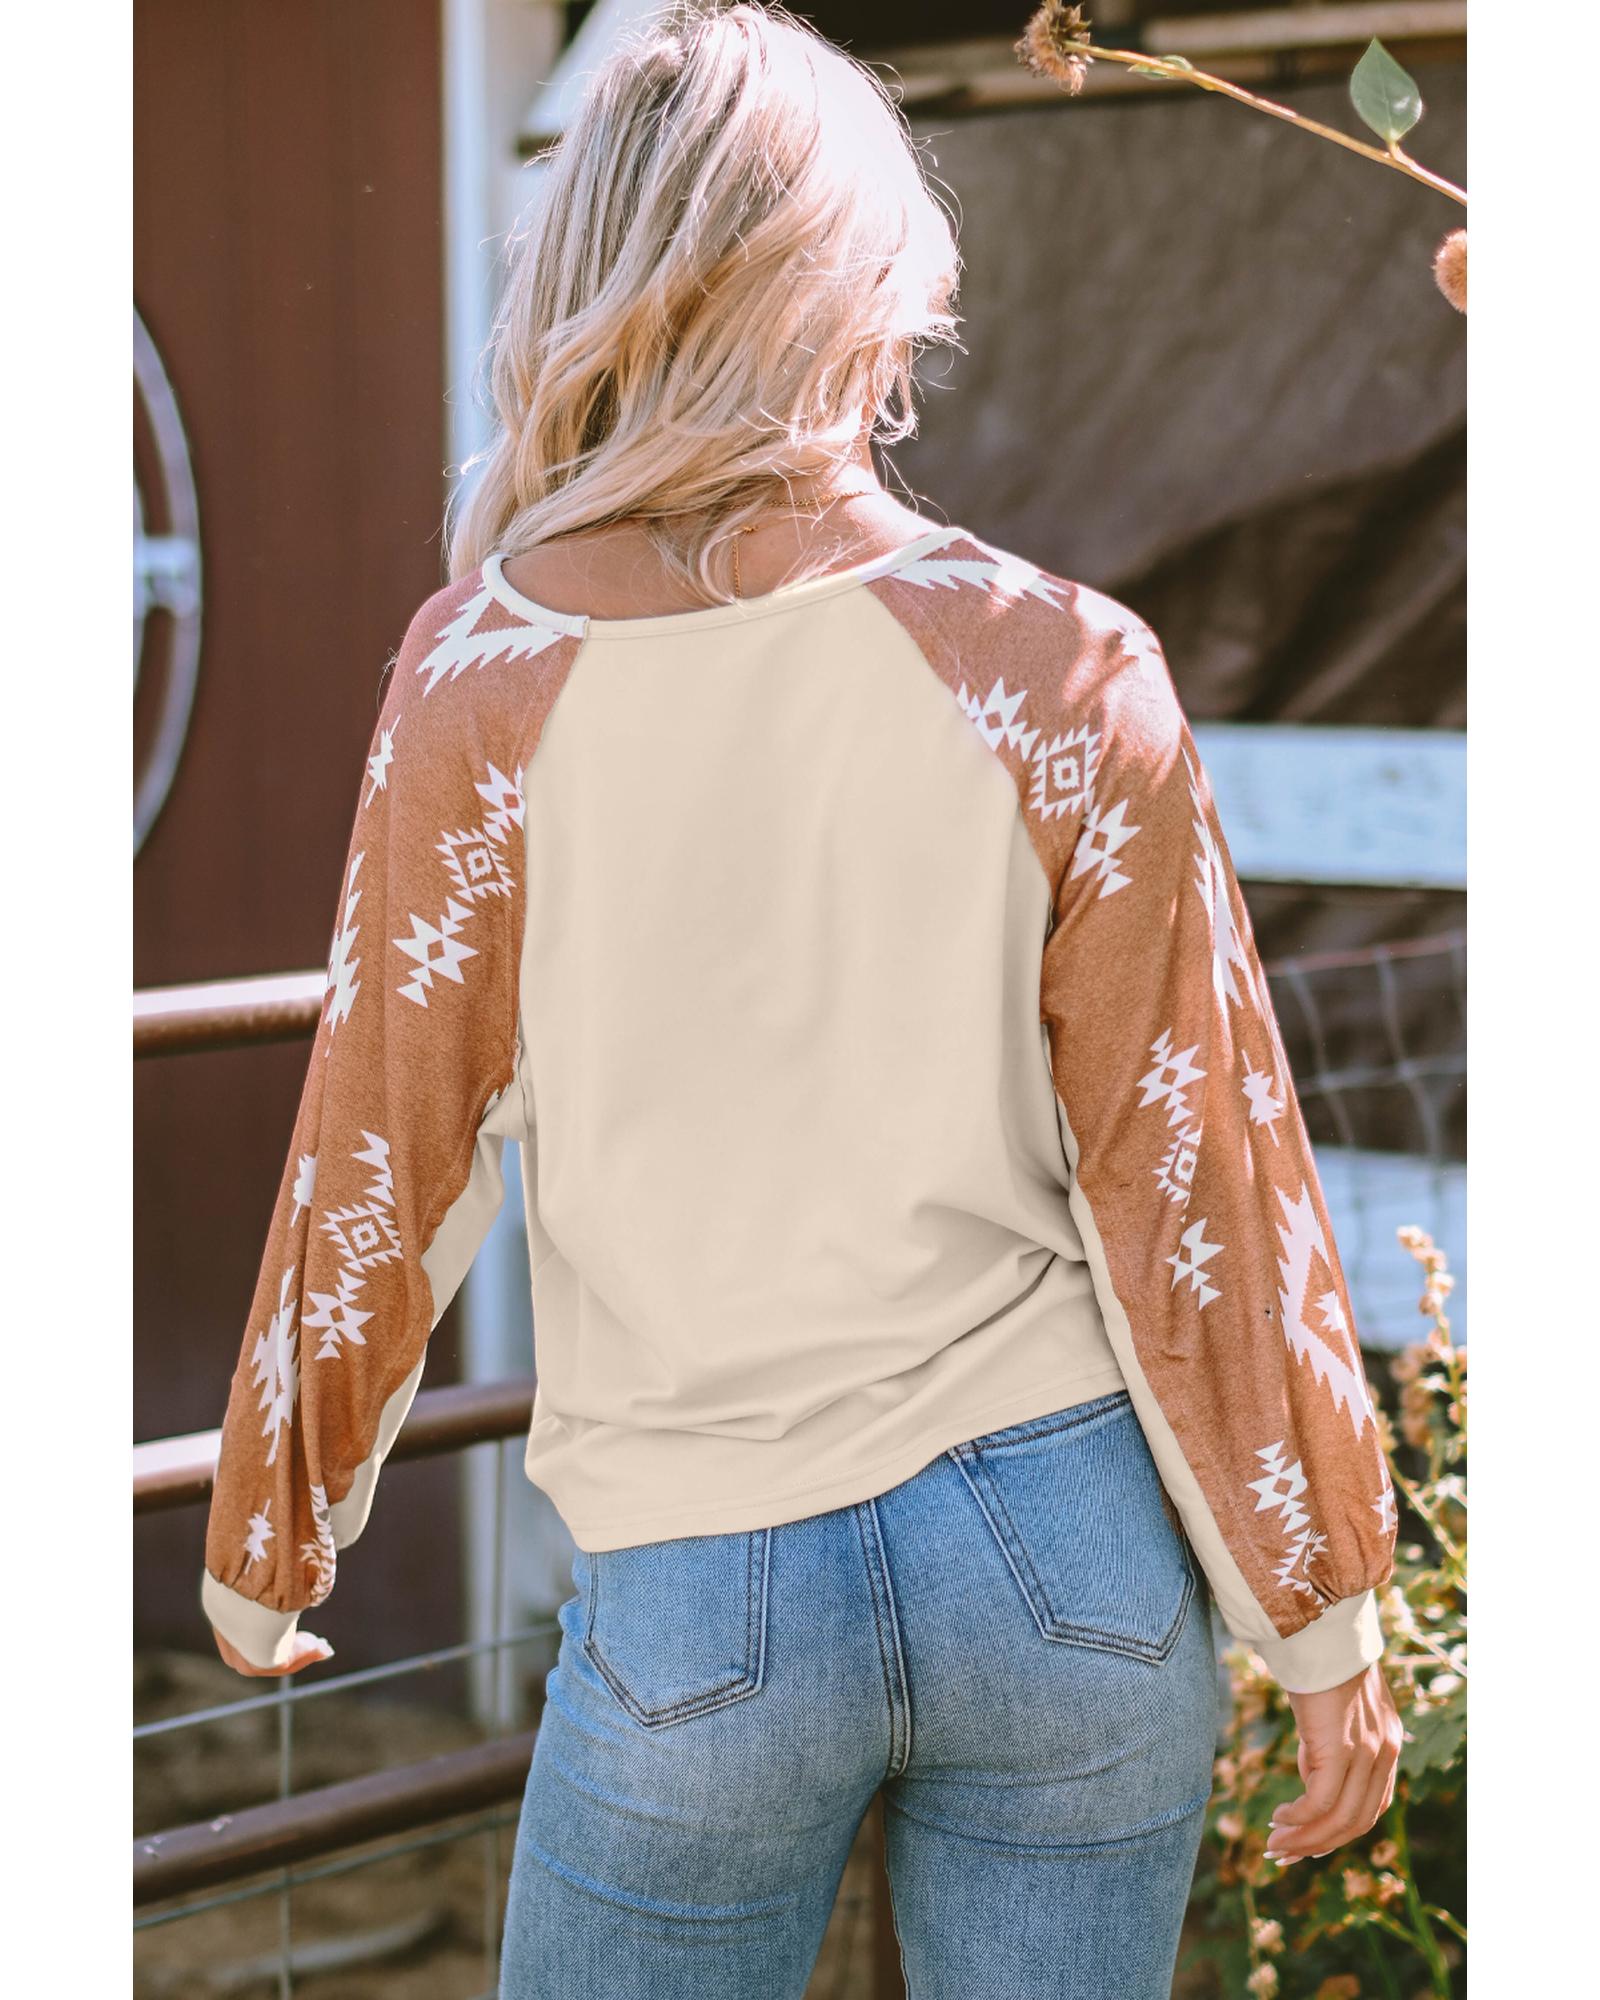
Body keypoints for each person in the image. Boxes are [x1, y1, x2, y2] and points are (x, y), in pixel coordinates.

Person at [198, 4, 1403, 1992]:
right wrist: (1321, 1606)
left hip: (705, 1592)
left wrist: (273, 1522)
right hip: (1068, 1560)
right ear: (869, 288)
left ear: (593, 277)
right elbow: (1194, 1154)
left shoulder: (480, 683)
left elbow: (389, 1130)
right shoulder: (1056, 665)